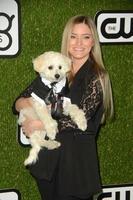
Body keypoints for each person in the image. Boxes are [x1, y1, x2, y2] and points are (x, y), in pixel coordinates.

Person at [12, 15, 114, 200]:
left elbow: (82, 118)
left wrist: (38, 125)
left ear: (93, 42)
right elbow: (18, 101)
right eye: (73, 36)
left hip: (76, 167)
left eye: (86, 37)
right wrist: (29, 106)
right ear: (67, 40)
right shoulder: (55, 69)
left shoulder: (97, 76)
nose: (78, 43)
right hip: (48, 165)